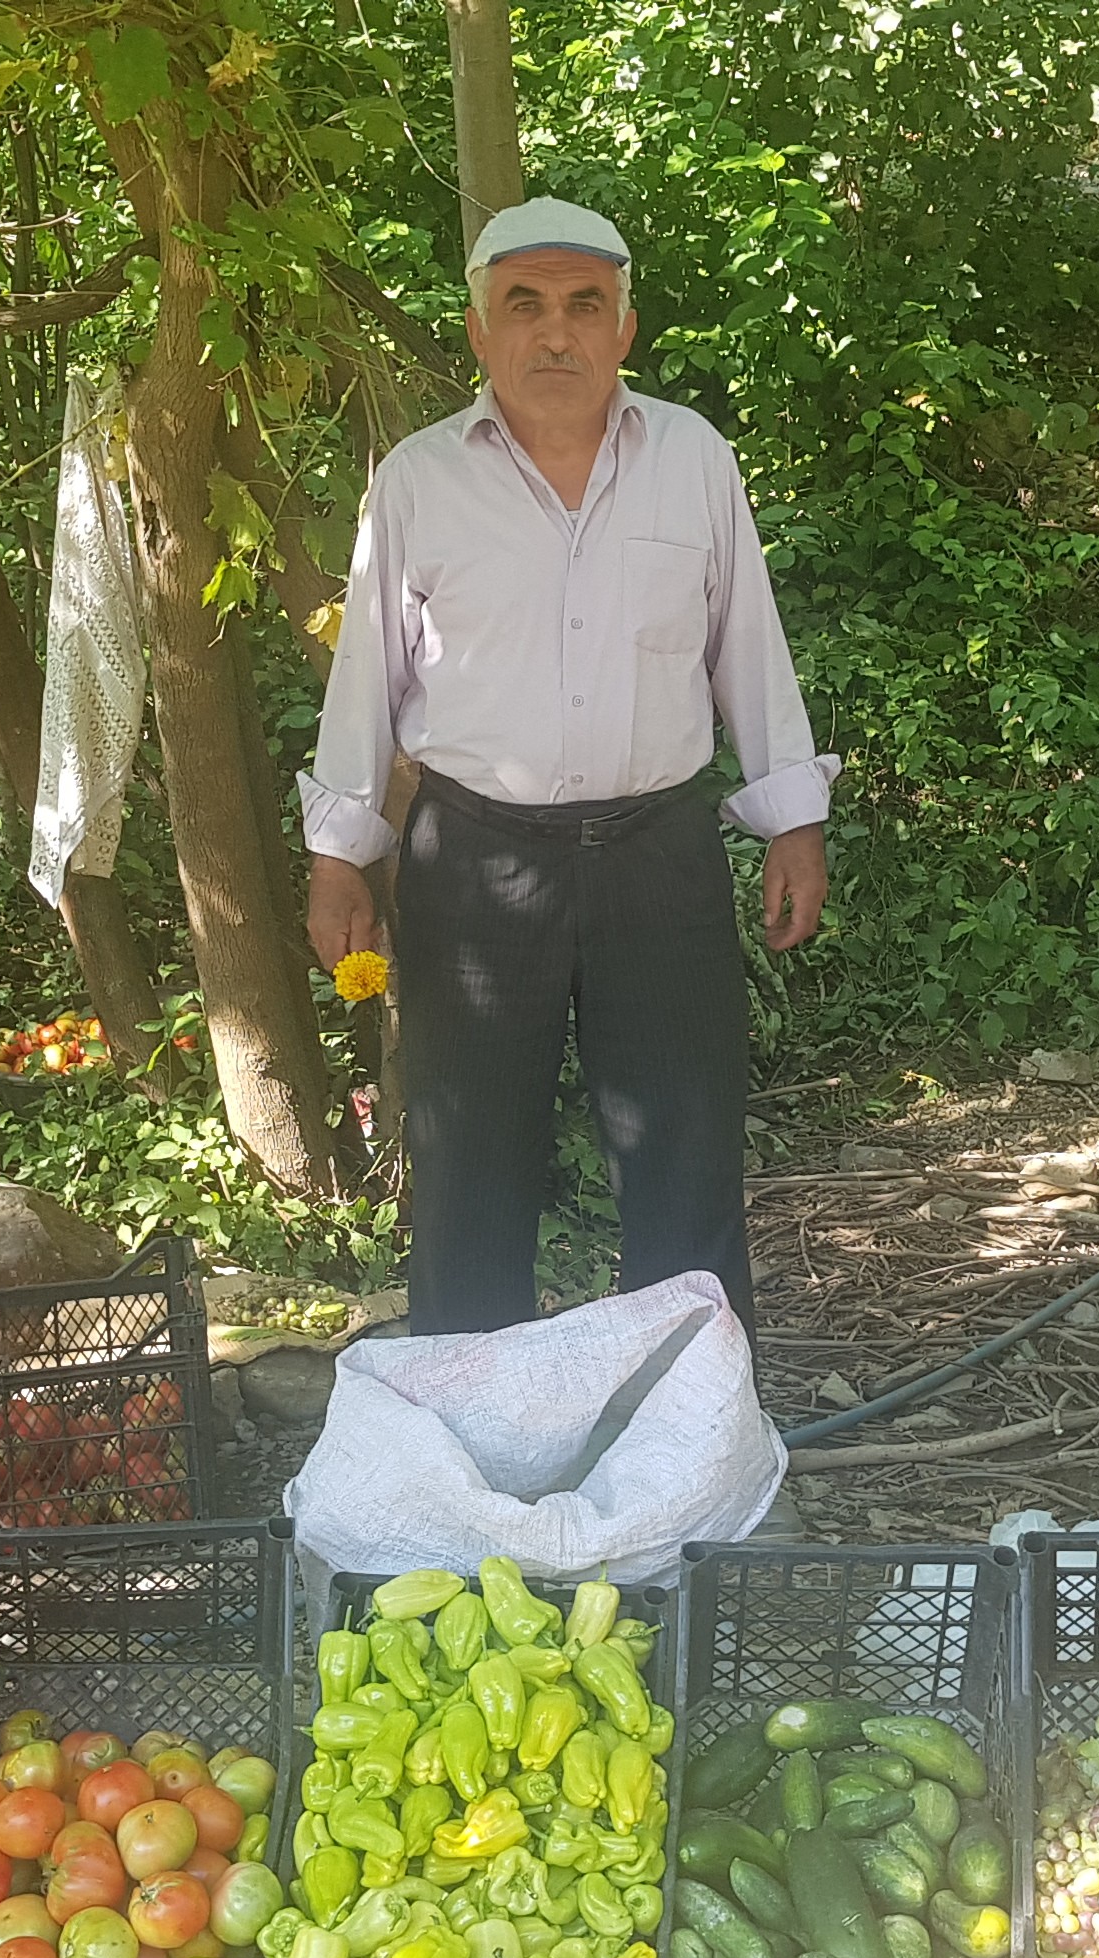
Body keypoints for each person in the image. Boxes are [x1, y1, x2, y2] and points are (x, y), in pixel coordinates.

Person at [304, 196, 832, 1338]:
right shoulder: (416, 481)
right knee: (468, 1166)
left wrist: (792, 818)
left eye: (585, 306)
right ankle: (473, 1443)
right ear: (479, 328)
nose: (557, 334)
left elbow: (748, 642)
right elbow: (367, 680)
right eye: (525, 306)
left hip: (661, 857)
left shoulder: (691, 459)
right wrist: (343, 855)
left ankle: (687, 1440)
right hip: (476, 860)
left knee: (686, 1154)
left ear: (625, 328)